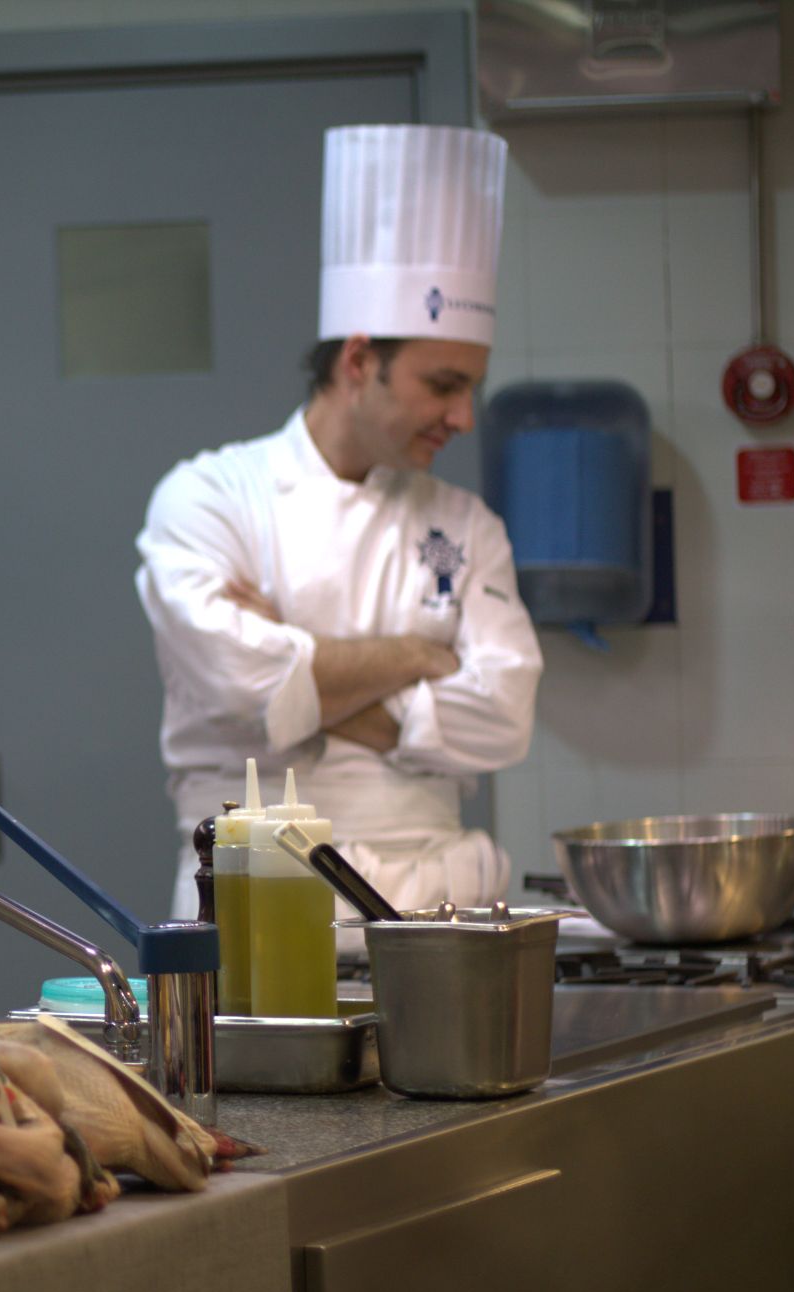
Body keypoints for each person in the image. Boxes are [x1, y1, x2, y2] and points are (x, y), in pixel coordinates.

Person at [135, 124, 543, 923]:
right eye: (444, 384)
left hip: (442, 912)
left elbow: (504, 717)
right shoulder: (208, 498)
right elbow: (232, 678)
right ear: (359, 361)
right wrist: (419, 658)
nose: (464, 415)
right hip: (251, 911)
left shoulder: (467, 525)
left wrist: (295, 656)